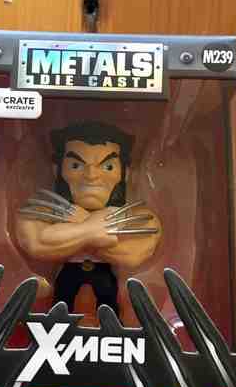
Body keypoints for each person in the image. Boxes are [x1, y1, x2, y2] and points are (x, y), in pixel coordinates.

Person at [15, 121, 161, 315]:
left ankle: (111, 330)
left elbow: (134, 255)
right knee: (61, 304)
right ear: (57, 170)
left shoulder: (141, 217)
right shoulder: (39, 210)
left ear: (125, 173)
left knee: (109, 307)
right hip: (68, 272)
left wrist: (76, 227)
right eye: (76, 165)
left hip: (105, 274)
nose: (91, 175)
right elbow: (36, 244)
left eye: (108, 166)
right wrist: (95, 230)